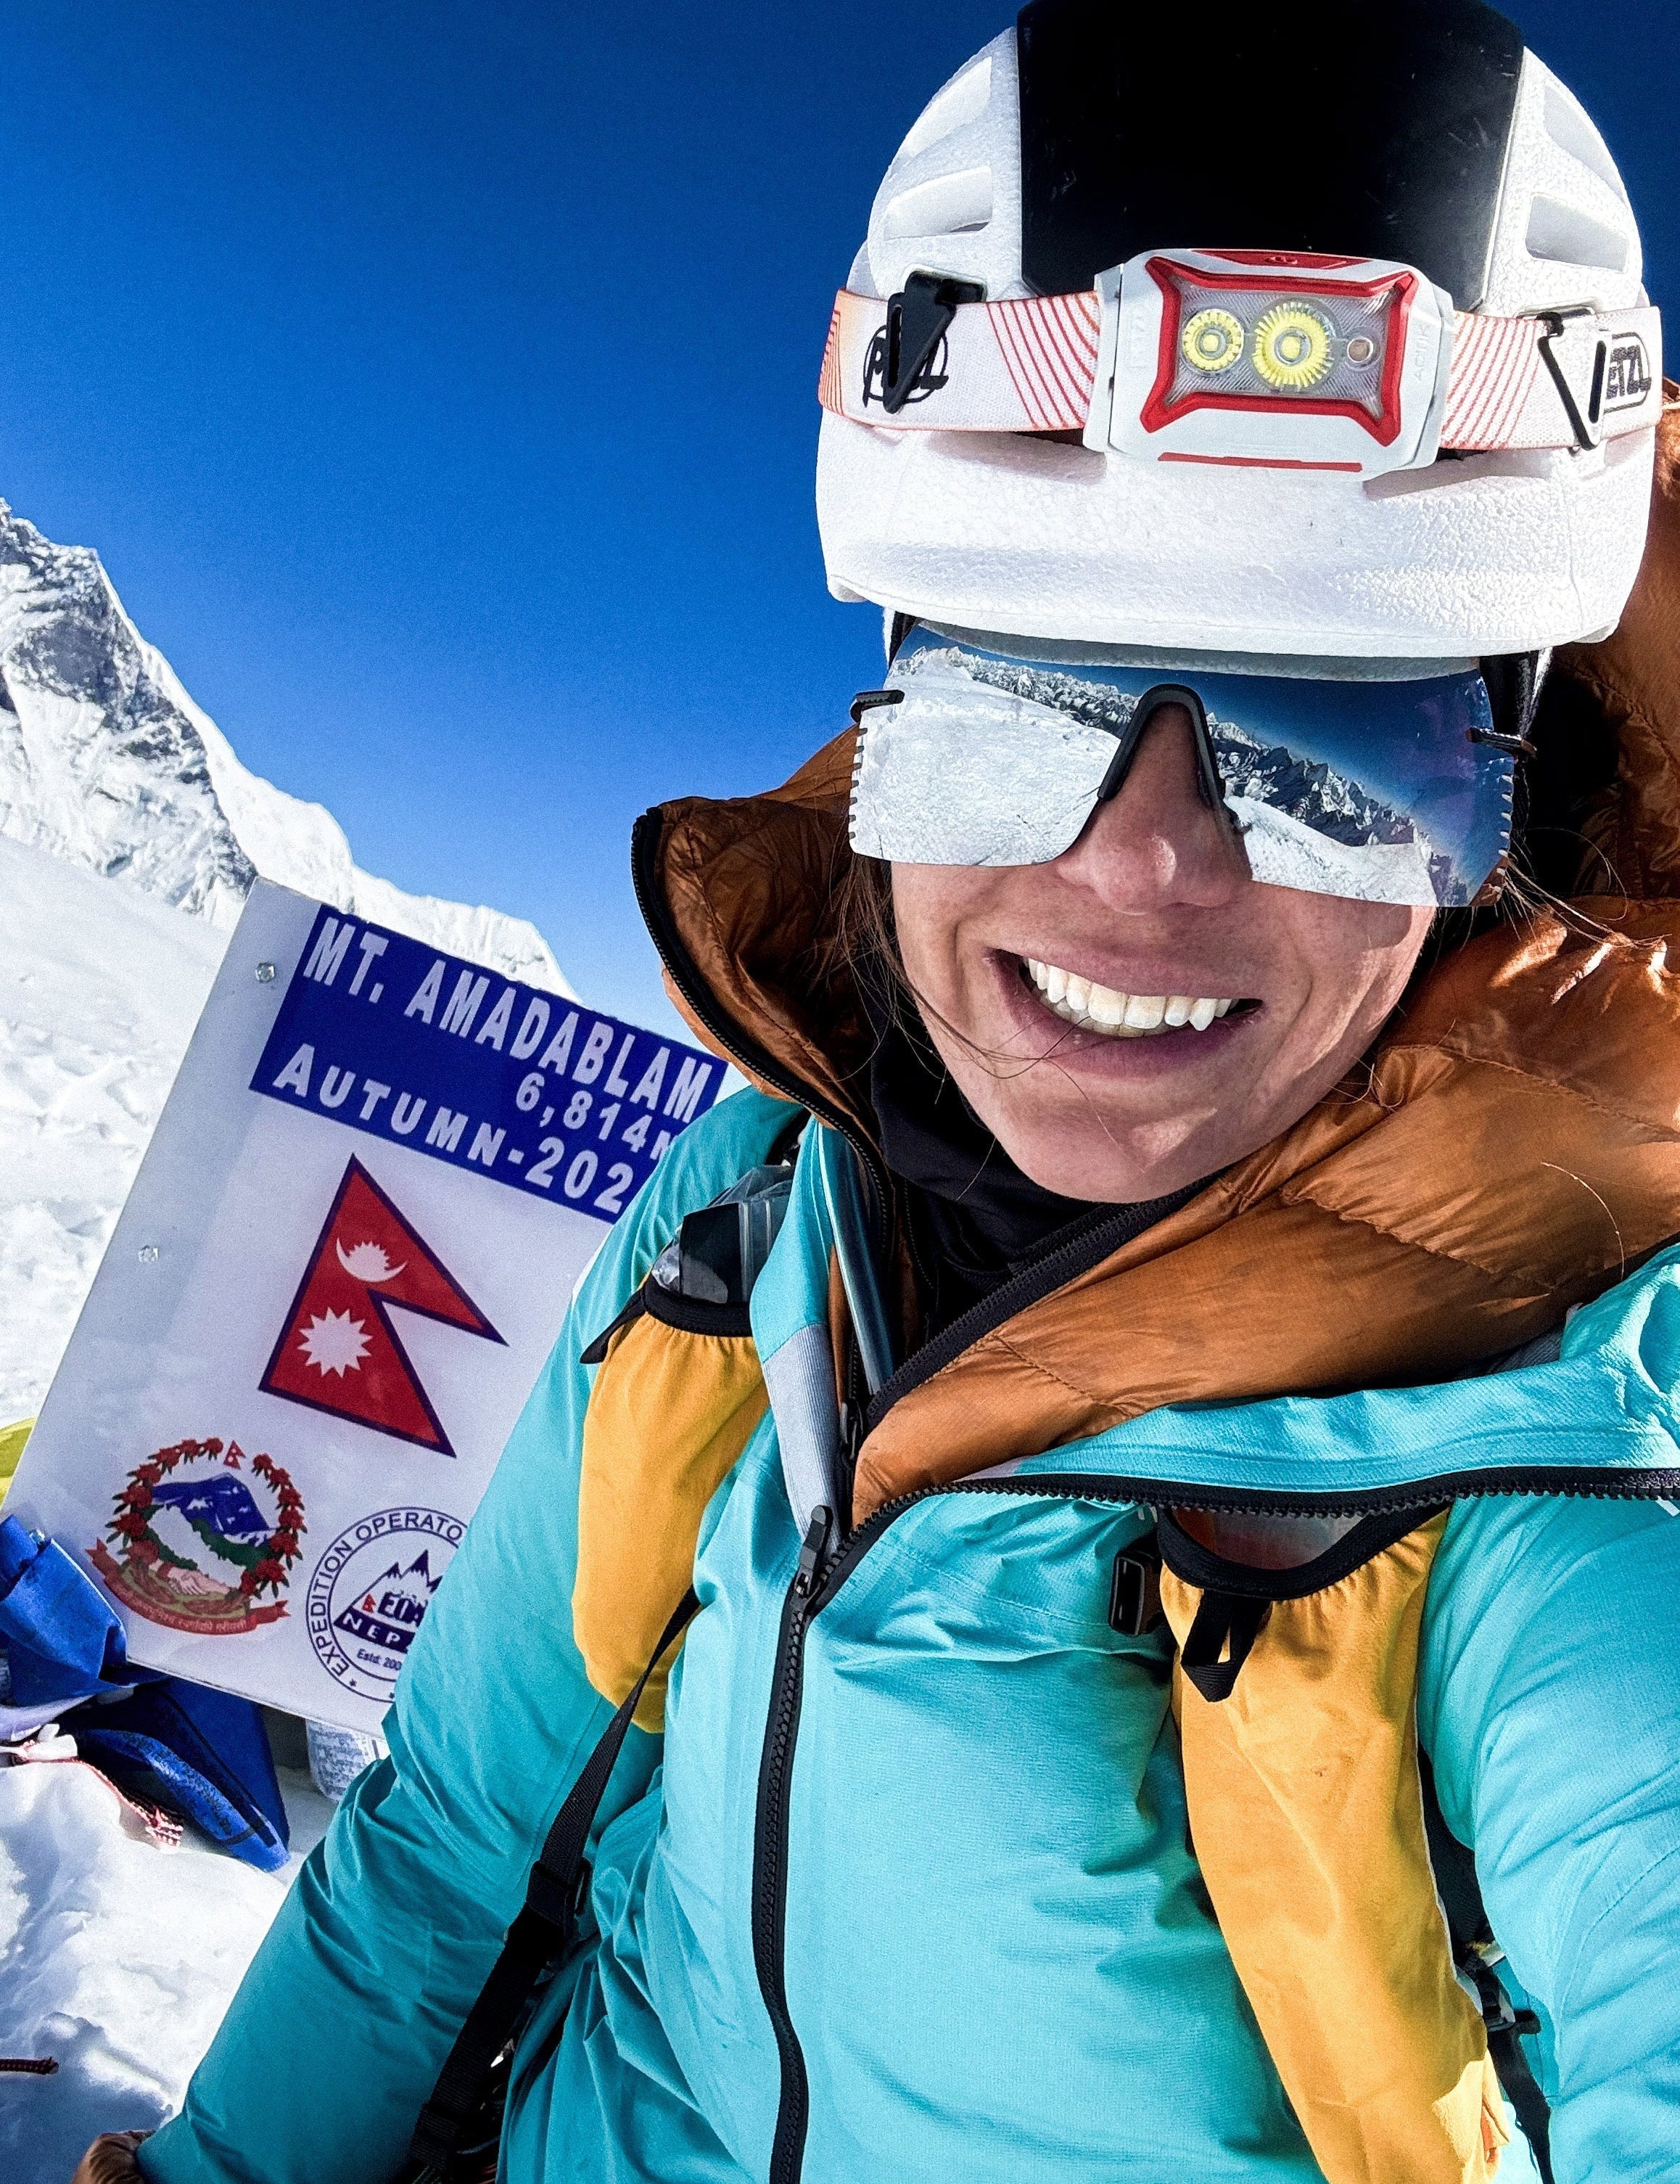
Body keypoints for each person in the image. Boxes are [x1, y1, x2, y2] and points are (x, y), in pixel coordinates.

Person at [78, 4, 1680, 2180]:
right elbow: (452, 1840)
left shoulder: (1567, 1452)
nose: (1142, 874)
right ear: (879, 724)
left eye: (1337, 763)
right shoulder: (755, 1215)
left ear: (1494, 826)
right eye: (1020, 708)